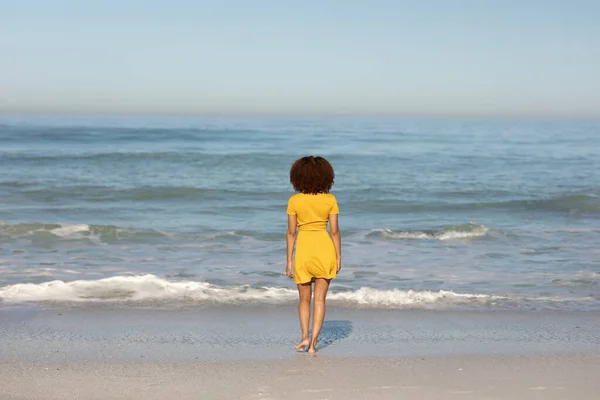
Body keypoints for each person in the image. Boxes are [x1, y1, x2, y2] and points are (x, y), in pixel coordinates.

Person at [286, 156, 341, 354]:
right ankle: (314, 343)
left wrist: (289, 261)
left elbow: (291, 233)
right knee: (319, 300)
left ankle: (304, 338)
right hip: (324, 249)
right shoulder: (330, 200)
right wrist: (338, 257)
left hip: (304, 251)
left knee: (304, 299)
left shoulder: (295, 201)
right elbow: (334, 231)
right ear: (326, 177)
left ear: (297, 177)